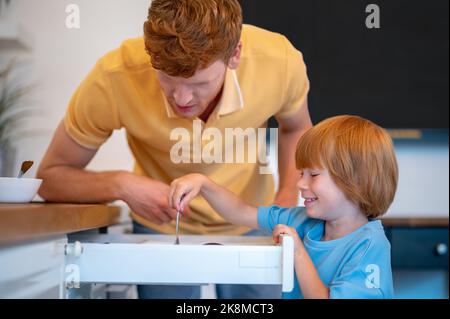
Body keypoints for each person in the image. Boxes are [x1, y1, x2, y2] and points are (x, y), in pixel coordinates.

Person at [36, 0, 312, 299]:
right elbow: (50, 176)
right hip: (161, 228)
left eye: (199, 83)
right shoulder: (114, 76)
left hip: (253, 220)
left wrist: (284, 204)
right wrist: (122, 185)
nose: (181, 98)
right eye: (167, 78)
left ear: (235, 55)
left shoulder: (279, 60)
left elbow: (295, 128)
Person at [169, 115, 398, 299]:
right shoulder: (300, 220)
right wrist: (204, 184)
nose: (300, 183)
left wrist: (297, 251)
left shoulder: (369, 246)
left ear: (355, 181)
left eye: (314, 174)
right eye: (301, 173)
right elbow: (242, 212)